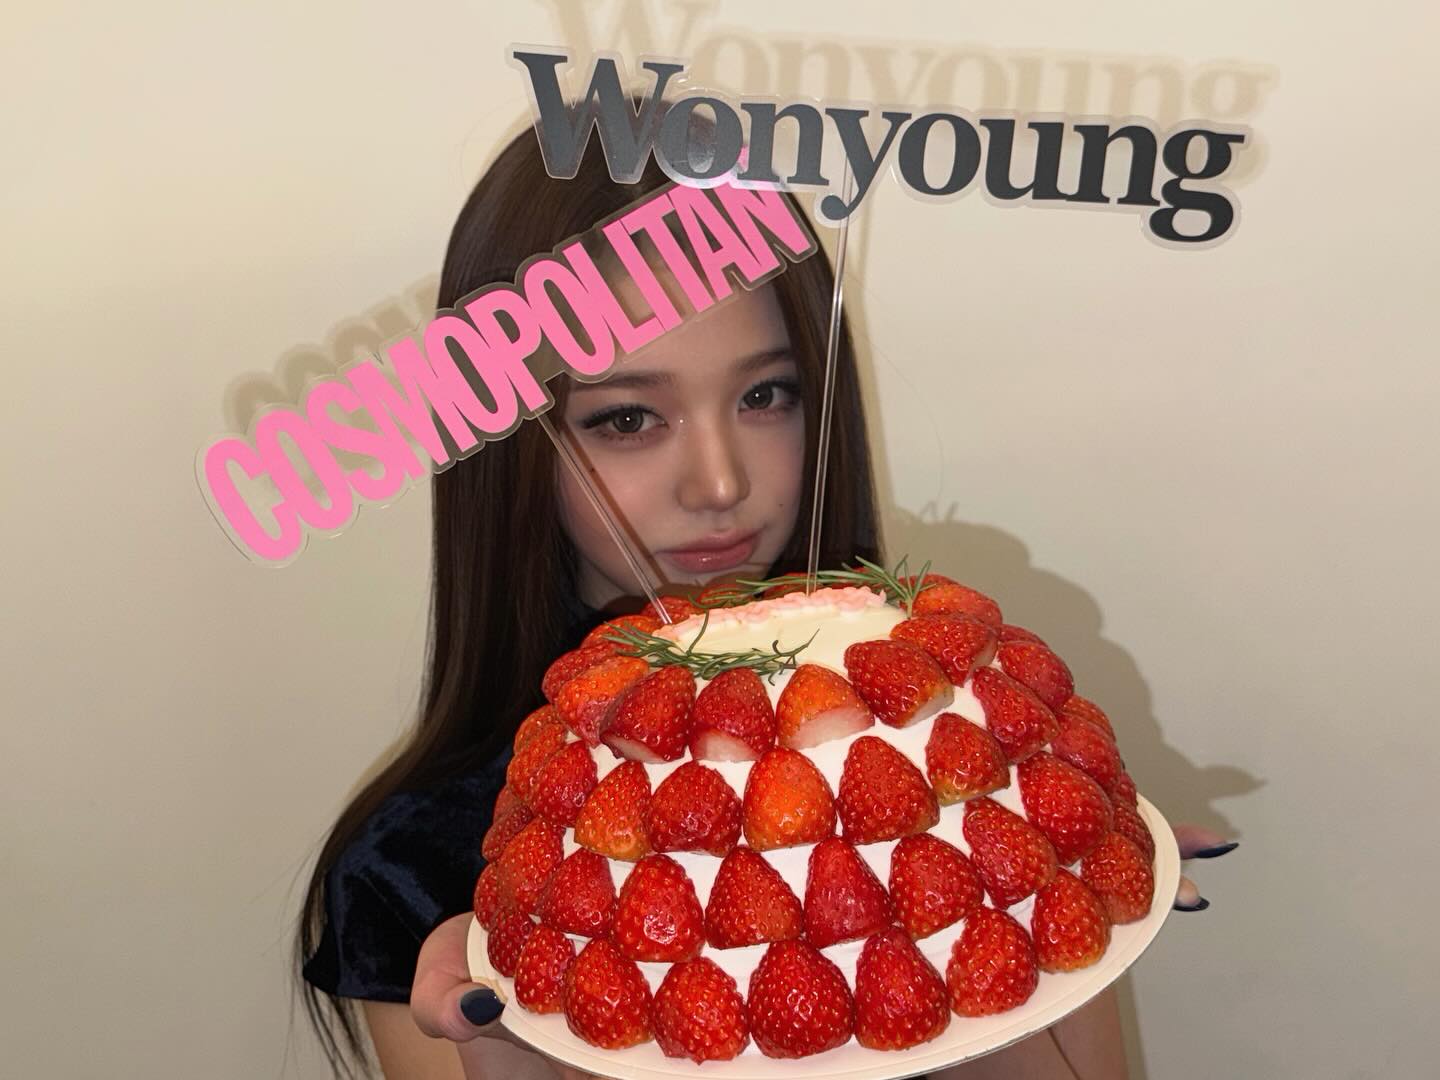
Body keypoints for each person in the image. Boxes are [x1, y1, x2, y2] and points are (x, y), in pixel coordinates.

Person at [299, 124, 1234, 1080]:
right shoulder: (419, 875)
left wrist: (1020, 910)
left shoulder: (964, 759)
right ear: (510, 443)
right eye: (627, 417)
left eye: (765, 396)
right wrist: (532, 1056)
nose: (720, 484)